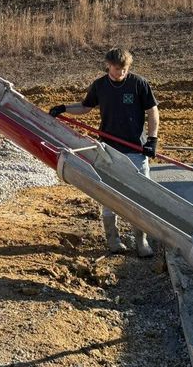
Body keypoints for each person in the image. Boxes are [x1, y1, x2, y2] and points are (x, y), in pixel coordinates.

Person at [49, 47, 159, 257]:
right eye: (117, 69)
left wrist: (152, 139)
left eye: (125, 69)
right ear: (108, 66)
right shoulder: (100, 86)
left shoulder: (139, 84)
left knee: (140, 198)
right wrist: (63, 108)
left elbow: (152, 111)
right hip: (108, 151)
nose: (121, 73)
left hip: (136, 151)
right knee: (108, 198)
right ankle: (113, 241)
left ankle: (142, 242)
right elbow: (85, 106)